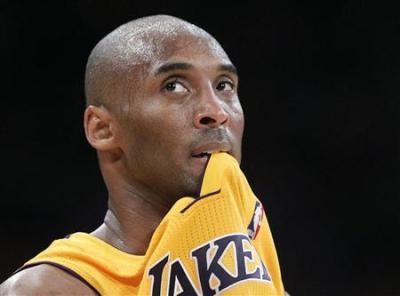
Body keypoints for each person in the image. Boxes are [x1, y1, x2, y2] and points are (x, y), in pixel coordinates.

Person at [0, 14, 287, 295]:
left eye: (224, 85)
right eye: (174, 86)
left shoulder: (257, 268)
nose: (216, 112)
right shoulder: (47, 289)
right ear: (102, 129)